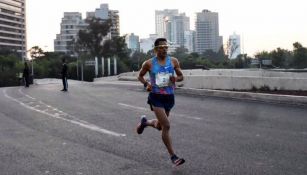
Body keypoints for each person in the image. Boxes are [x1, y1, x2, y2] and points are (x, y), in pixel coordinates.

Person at [136, 38, 185, 166]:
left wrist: (176, 78)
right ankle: (173, 156)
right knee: (166, 126)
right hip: (156, 97)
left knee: (159, 126)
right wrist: (146, 84)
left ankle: (145, 123)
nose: (164, 49)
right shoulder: (148, 63)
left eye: (166, 47)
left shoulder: (173, 61)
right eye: (161, 47)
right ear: (156, 49)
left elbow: (181, 76)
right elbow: (140, 76)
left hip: (169, 96)